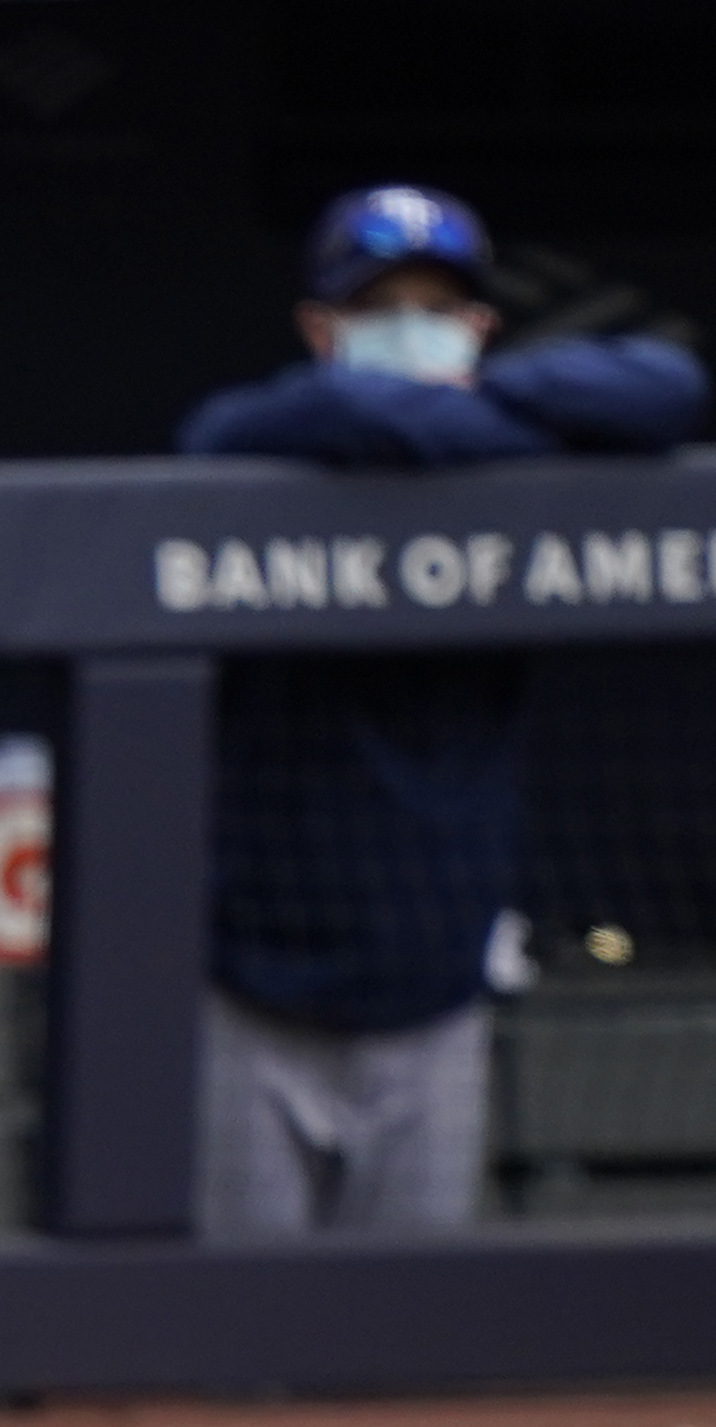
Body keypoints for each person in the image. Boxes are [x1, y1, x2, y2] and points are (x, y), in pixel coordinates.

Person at [176, 186, 704, 1238]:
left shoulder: (499, 435)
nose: (404, 329)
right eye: (376, 310)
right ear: (321, 329)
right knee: (231, 1356)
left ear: (477, 324)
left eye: (434, 305)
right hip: (254, 993)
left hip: (434, 994)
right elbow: (310, 414)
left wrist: (474, 402)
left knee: (400, 1355)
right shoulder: (262, 435)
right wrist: (487, 419)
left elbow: (667, 387)